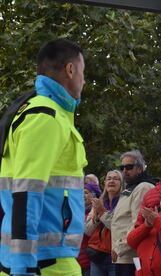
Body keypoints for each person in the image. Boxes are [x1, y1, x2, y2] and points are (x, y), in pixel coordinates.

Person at [0, 39, 87, 275]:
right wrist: (23, 267)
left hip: (43, 260)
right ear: (70, 70)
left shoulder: (41, 112)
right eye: (82, 72)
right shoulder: (45, 117)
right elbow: (26, 194)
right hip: (44, 264)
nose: (84, 80)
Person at [108, 150, 154, 275]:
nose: (124, 170)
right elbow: (120, 221)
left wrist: (119, 248)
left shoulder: (142, 187)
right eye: (122, 167)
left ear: (140, 169)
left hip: (130, 256)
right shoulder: (130, 188)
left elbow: (137, 223)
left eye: (129, 167)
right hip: (123, 255)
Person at [85, 170, 122, 276]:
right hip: (97, 255)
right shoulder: (99, 201)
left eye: (116, 179)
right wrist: (96, 219)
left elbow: (117, 228)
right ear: (105, 183)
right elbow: (87, 230)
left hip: (116, 255)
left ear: (121, 183)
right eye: (109, 179)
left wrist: (102, 212)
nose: (112, 181)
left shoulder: (124, 202)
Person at [78, 180, 102, 276]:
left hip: (89, 262)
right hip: (76, 261)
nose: (83, 195)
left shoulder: (95, 213)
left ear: (94, 196)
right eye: (81, 193)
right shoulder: (77, 211)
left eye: (86, 193)